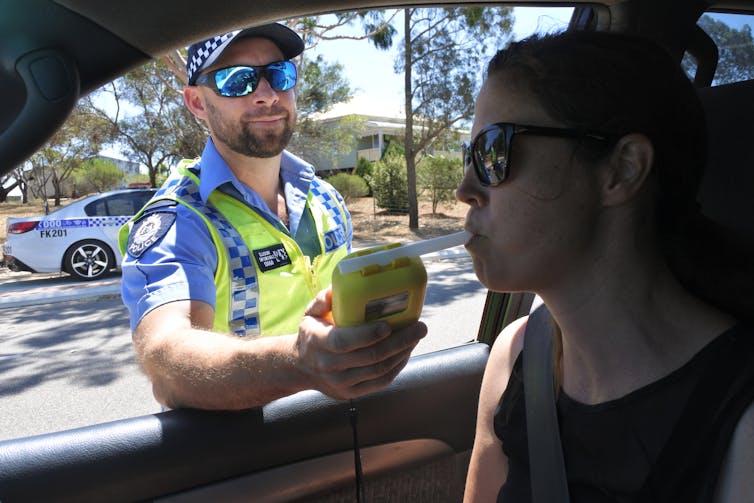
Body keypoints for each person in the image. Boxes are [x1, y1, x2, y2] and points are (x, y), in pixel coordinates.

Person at [458, 31, 754, 502]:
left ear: (623, 170)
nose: (465, 187)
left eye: (495, 152)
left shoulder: (742, 424)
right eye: (469, 155)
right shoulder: (515, 357)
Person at [119, 23, 426, 411]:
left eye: (279, 75)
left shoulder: (325, 199)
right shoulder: (180, 219)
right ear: (197, 102)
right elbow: (167, 360)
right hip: (242, 454)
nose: (267, 95)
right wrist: (297, 363)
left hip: (339, 425)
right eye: (237, 80)